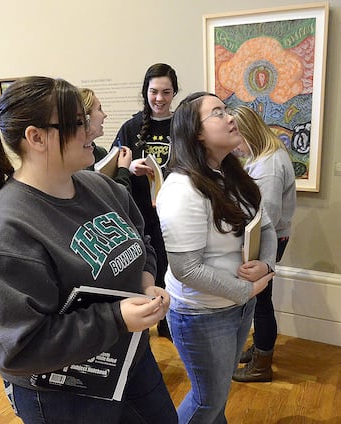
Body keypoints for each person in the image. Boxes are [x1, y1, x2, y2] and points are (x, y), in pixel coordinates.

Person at [0, 76, 177, 424]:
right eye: (78, 123)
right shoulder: (4, 231)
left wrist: (145, 280)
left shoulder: (101, 188)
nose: (92, 129)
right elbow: (18, 347)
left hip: (131, 359)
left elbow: (143, 241)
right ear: (36, 137)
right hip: (66, 393)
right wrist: (116, 317)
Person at [156, 92, 277, 423]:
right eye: (218, 113)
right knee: (206, 401)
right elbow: (186, 269)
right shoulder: (182, 189)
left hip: (238, 306)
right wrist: (247, 290)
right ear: (196, 132)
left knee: (218, 396)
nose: (231, 118)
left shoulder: (234, 175)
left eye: (226, 110)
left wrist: (266, 265)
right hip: (202, 313)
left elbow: (266, 228)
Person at [111, 63, 179, 340]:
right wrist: (130, 166)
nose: (159, 98)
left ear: (174, 92)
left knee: (171, 267)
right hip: (139, 213)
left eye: (166, 92)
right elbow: (114, 166)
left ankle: (167, 322)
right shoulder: (131, 127)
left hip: (174, 212)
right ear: (145, 92)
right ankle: (141, 318)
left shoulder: (182, 123)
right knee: (145, 268)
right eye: (154, 91)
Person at [230, 105, 296, 383]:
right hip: (274, 237)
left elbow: (265, 217)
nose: (236, 149)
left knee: (261, 301)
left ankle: (262, 363)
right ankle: (260, 349)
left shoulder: (268, 166)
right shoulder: (270, 157)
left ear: (248, 133)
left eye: (238, 141)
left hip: (267, 240)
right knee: (260, 300)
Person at [79, 87, 132, 189]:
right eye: (99, 109)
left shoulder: (101, 153)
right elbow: (117, 200)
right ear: (86, 117)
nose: (104, 115)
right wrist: (123, 170)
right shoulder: (71, 159)